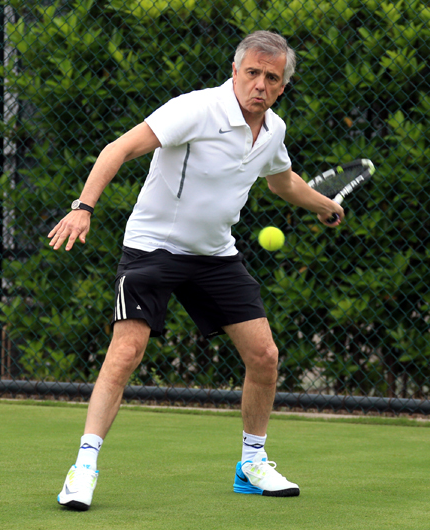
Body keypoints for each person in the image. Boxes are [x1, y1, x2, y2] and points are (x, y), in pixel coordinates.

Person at [48, 30, 344, 510]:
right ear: (235, 71)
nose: (260, 85)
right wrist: (83, 207)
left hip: (214, 255)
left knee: (264, 356)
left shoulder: (273, 131)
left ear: (283, 86)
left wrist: (322, 205)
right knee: (126, 352)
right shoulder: (195, 109)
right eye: (253, 73)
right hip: (153, 248)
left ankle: (252, 464)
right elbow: (118, 149)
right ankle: (83, 468)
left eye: (272, 78)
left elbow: (282, 181)